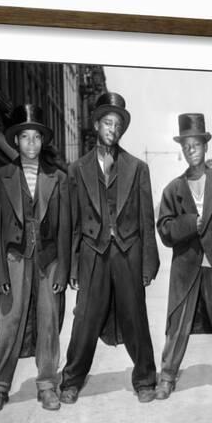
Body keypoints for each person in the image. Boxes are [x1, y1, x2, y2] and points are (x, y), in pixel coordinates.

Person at [59, 92, 160, 404]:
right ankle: (71, 380)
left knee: (135, 317)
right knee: (85, 319)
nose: (112, 128)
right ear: (96, 124)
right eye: (107, 122)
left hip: (128, 250)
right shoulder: (76, 169)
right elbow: (74, 222)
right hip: (92, 252)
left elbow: (146, 218)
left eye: (117, 124)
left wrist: (148, 265)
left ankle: (145, 379)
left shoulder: (138, 167)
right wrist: (74, 267)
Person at [0, 104, 70, 412]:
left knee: (48, 323)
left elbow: (65, 228)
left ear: (42, 142)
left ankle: (47, 384)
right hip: (14, 259)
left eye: (36, 137)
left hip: (48, 260)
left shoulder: (58, 178)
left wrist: (63, 271)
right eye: (25, 137)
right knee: (9, 323)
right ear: (16, 141)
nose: (31, 144)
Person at [156, 113, 212, 400]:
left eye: (196, 144)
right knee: (177, 325)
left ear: (205, 146)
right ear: (182, 150)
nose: (191, 149)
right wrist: (189, 223)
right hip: (186, 267)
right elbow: (165, 229)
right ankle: (167, 377)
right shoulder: (173, 189)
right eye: (186, 145)